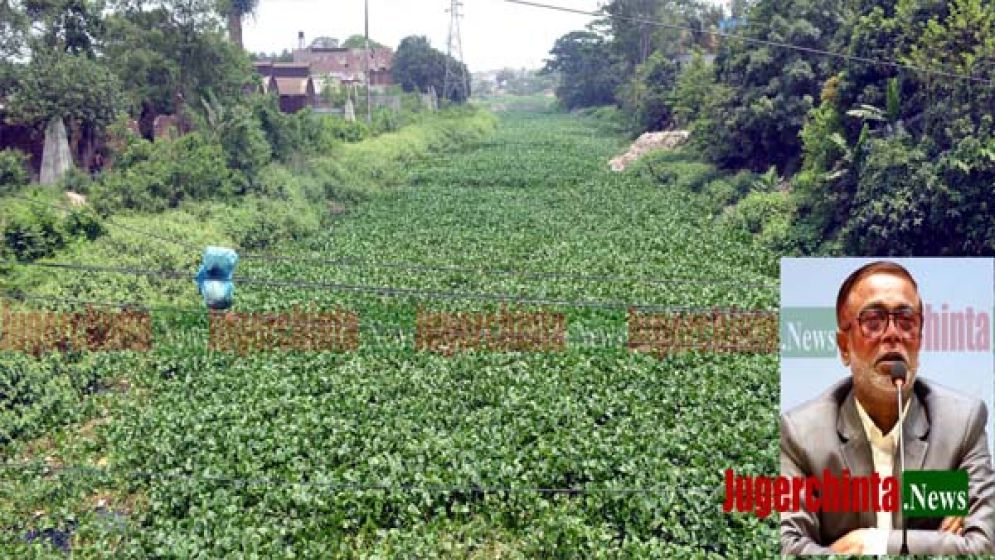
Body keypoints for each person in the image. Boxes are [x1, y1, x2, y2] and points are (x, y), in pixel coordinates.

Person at [780, 260, 995, 555]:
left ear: (919, 338)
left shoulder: (962, 424)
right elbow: (789, 549)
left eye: (906, 321)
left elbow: (982, 547)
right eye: (873, 321)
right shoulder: (800, 434)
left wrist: (870, 542)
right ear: (844, 346)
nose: (893, 334)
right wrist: (939, 543)